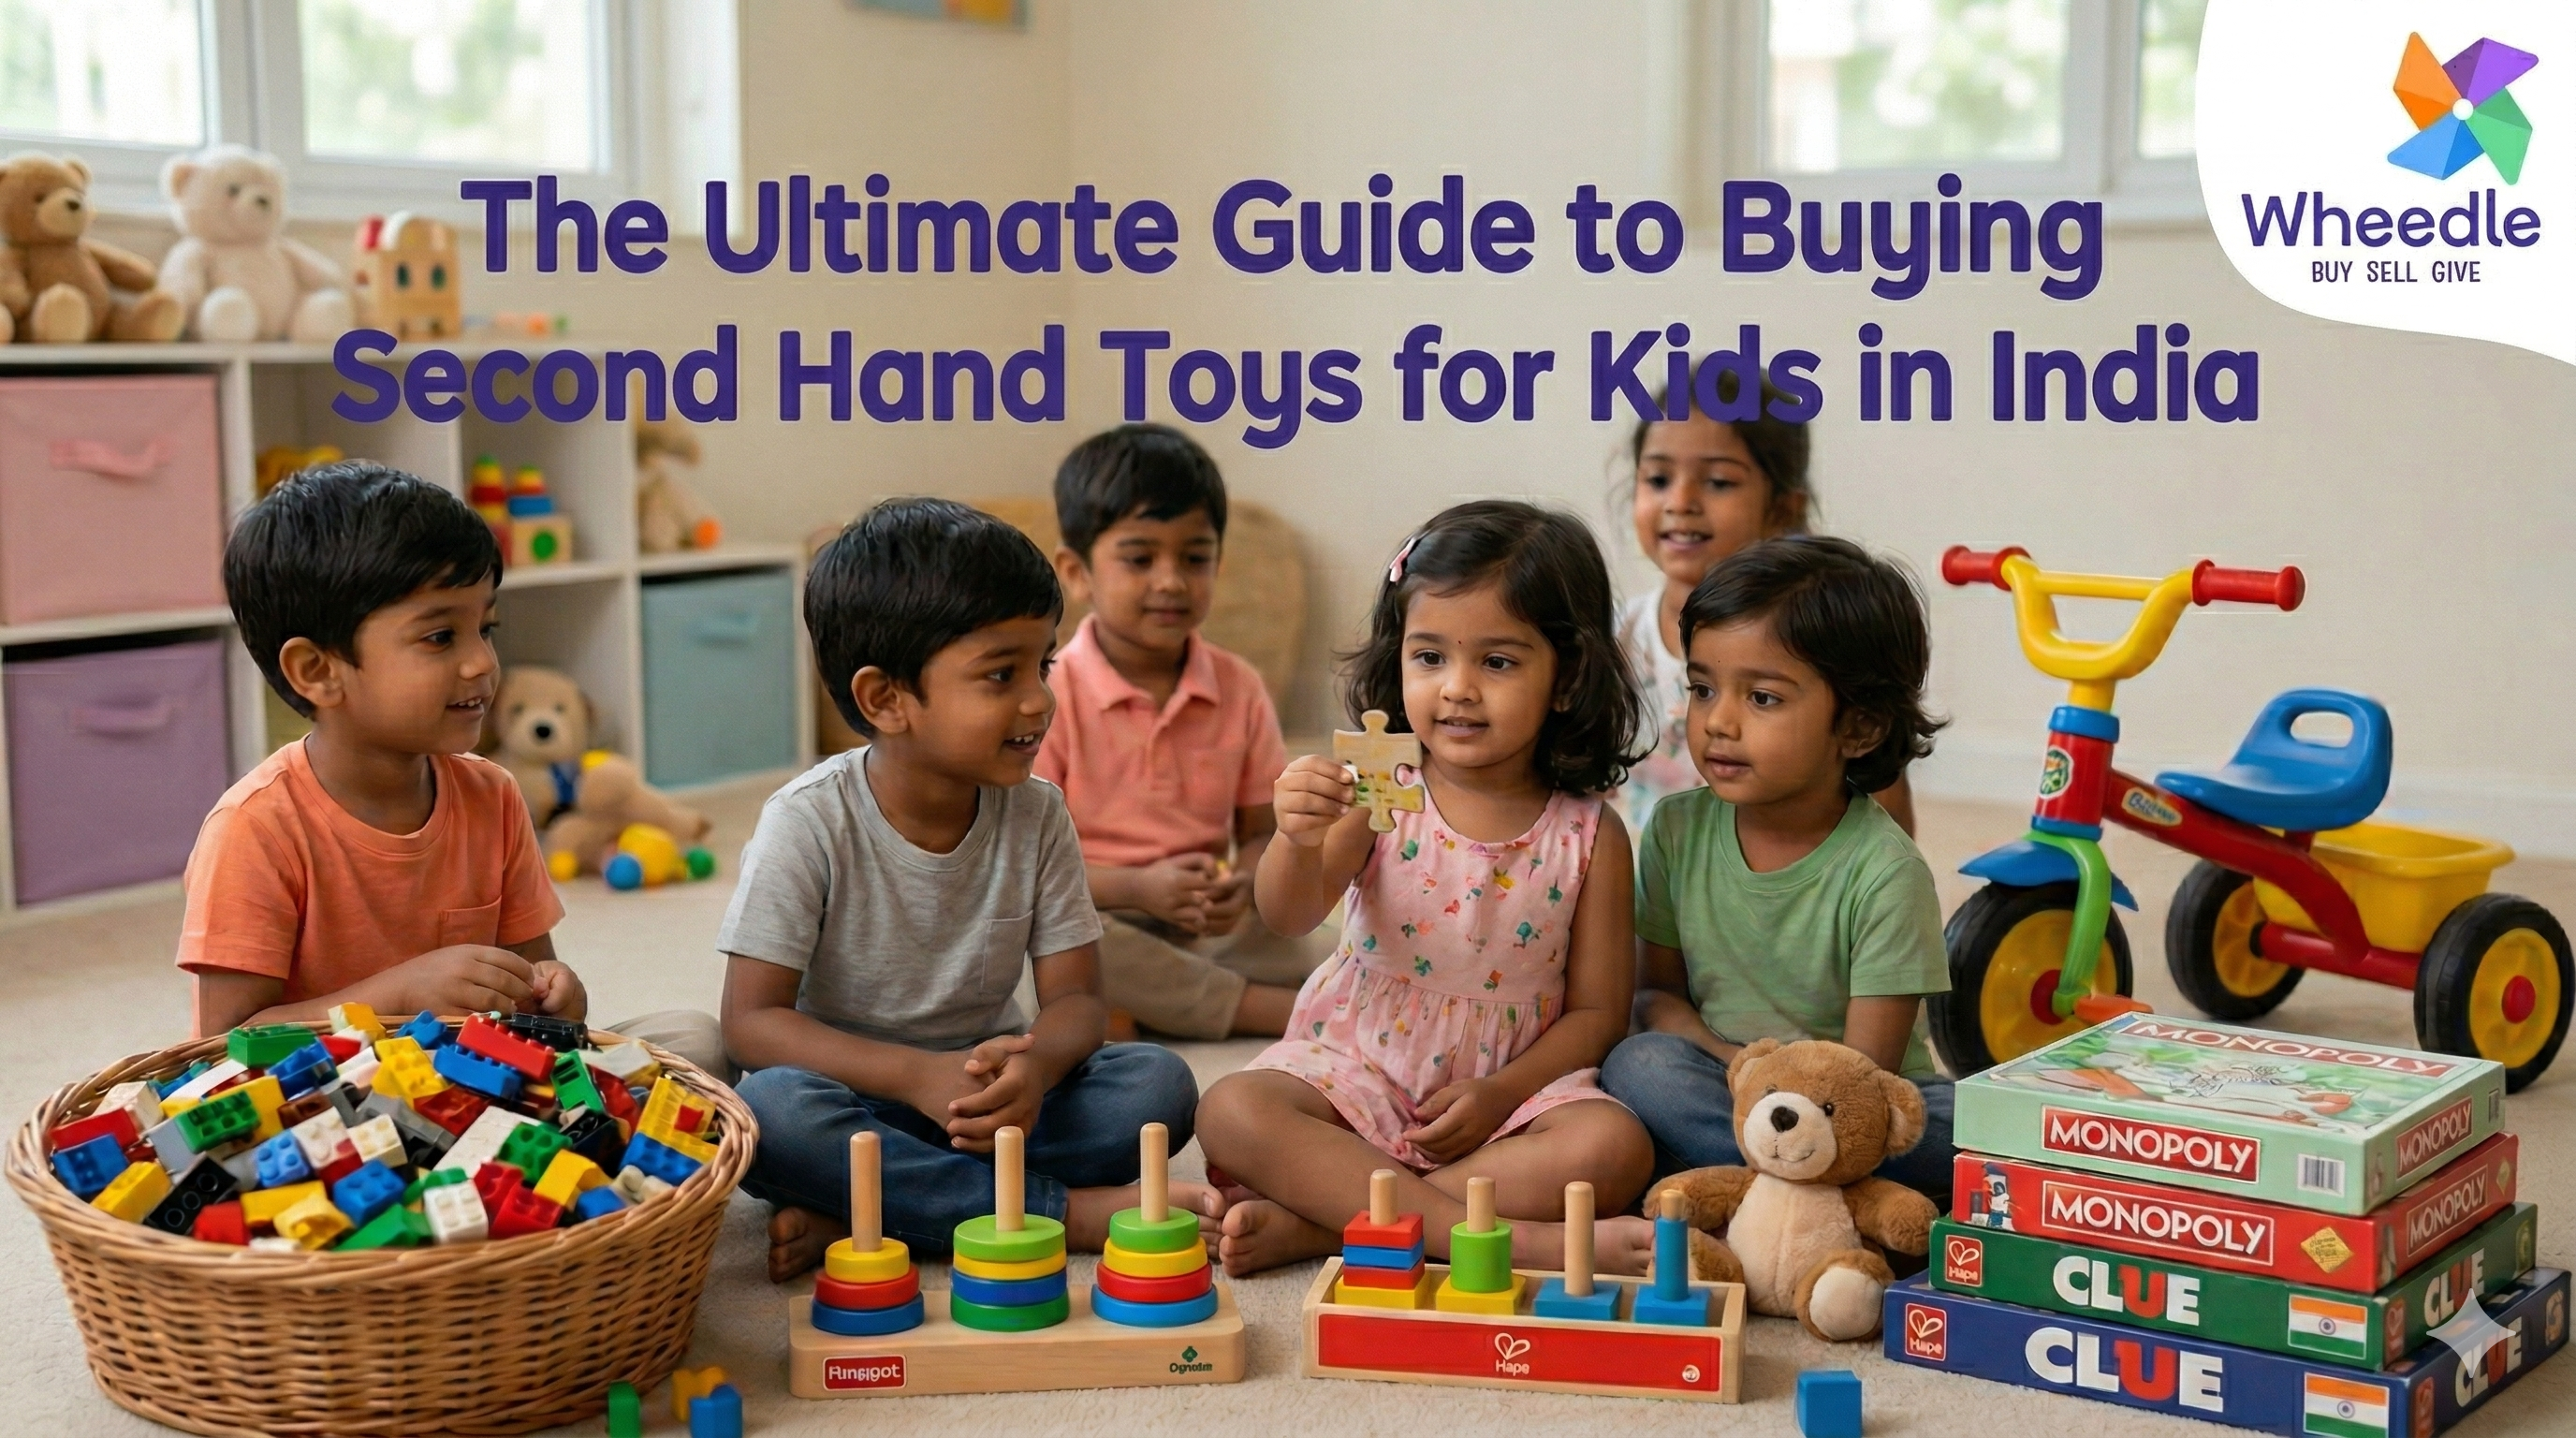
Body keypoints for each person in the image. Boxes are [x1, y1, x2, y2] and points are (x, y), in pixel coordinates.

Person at [722, 497, 1208, 1282]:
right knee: (769, 1116)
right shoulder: (806, 821)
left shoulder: (1038, 814)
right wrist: (915, 1076)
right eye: (1000, 674)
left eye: (1043, 665)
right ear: (886, 700)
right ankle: (1058, 1214)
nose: (1039, 700)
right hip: (857, 1098)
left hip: (994, 1105)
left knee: (1155, 1087)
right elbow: (751, 1024)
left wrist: (1036, 1070)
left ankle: (877, 1209)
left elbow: (1079, 1002)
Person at [1196, 500, 1658, 1277]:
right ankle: (1510, 1241)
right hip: (1359, 1072)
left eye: (1498, 662)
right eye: (1431, 657)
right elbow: (1288, 914)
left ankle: (1325, 1225)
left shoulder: (1591, 836)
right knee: (1231, 1108)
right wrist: (1295, 839)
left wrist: (1500, 1093)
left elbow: (1598, 1014)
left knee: (1614, 1147)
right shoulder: (1383, 788)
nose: (1458, 689)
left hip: (1506, 1099)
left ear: (1568, 677)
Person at [1599, 536, 1957, 1204]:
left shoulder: (1886, 872)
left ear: (1859, 729)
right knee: (1638, 1063)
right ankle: (1815, 1197)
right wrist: (1740, 1069)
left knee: (1961, 1125)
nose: (1718, 722)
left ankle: (1751, 1188)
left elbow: (1866, 1074)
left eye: (1762, 698)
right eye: (1702, 689)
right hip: (1728, 1080)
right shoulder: (1675, 831)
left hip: (1853, 1104)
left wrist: (1790, 1101)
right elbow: (1656, 998)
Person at [1035, 424, 1323, 1039]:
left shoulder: (1238, 686)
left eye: (1194, 559)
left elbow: (1260, 831)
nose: (1170, 581)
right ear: (1077, 573)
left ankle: (1157, 1007)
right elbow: (1026, 866)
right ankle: (1265, 1012)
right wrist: (1138, 887)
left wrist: (1241, 883)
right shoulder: (1047, 695)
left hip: (1204, 924)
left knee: (1304, 928)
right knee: (1045, 938)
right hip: (1103, 911)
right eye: (1140, 559)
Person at [1615, 381, 1915, 835]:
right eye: (1658, 479)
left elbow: (1883, 811)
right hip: (1658, 874)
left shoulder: (1812, 642)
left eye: (1718, 482)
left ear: (1782, 509)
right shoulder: (1617, 638)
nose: (1679, 502)